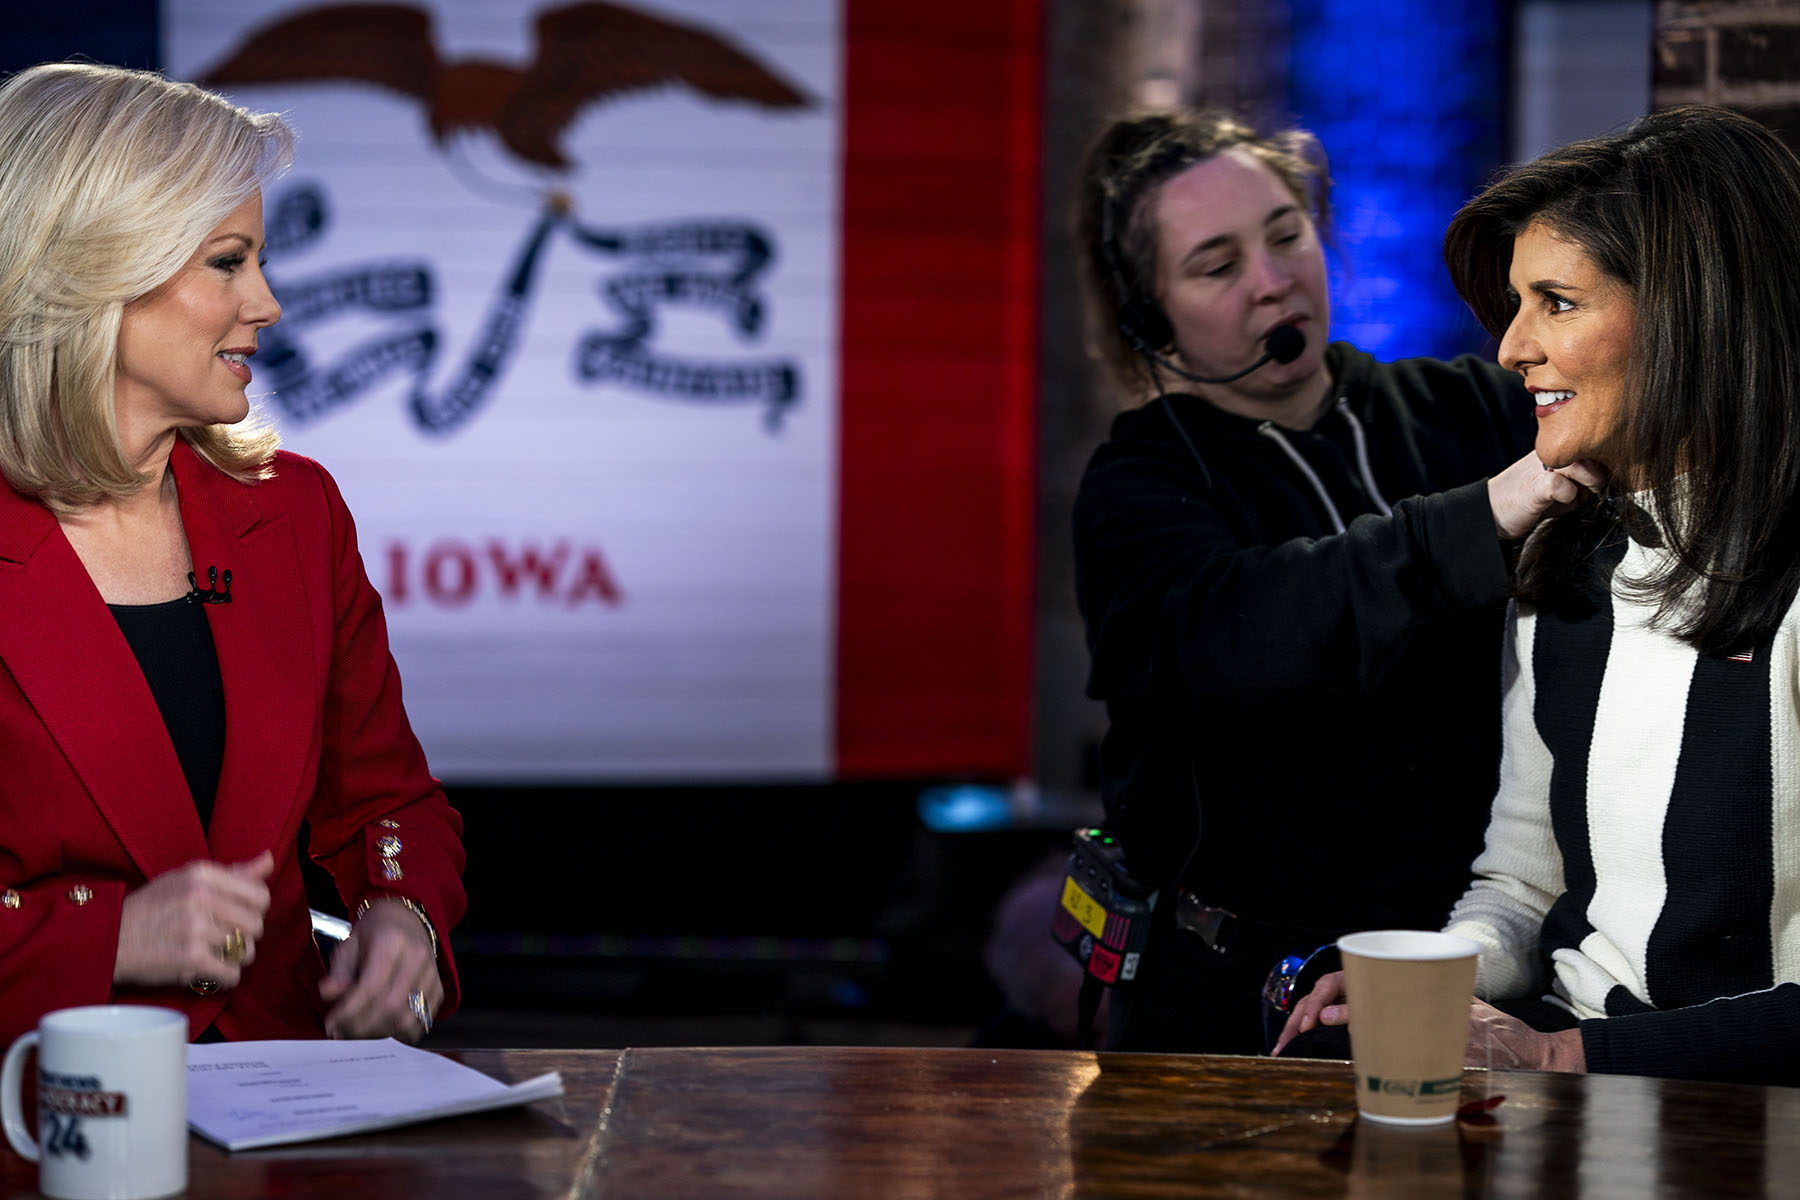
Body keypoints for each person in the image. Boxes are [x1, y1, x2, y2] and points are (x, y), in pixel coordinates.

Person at [1277, 105, 1800, 1087]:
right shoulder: (1564, 556)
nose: (1513, 347)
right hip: (1573, 1099)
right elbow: (1523, 884)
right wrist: (1430, 978)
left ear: (1695, 313)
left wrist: (1560, 1054)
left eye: (1555, 301)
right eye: (1516, 305)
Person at [1071, 107, 1602, 1054]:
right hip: (1240, 993)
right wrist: (1474, 522)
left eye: (1287, 235)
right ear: (1149, 313)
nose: (1275, 281)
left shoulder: (1465, 408)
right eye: (1218, 265)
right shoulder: (1141, 481)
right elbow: (1235, 635)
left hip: (1482, 951)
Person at [0, 62, 465, 1045]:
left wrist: (401, 913)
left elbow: (390, 802)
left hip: (286, 1128)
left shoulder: (295, 513)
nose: (267, 303)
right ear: (94, 269)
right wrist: (106, 936)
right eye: (228, 261)